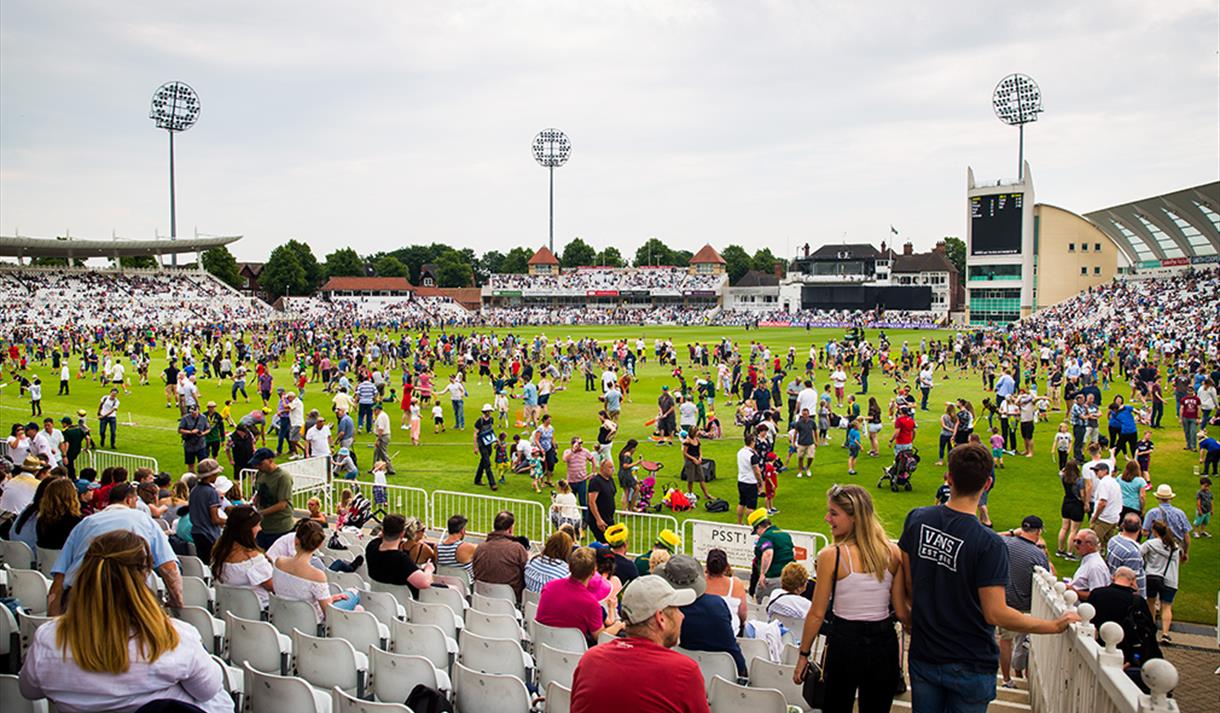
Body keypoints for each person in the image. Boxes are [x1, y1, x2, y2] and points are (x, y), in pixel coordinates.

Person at [898, 443, 1077, 713]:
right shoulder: (989, 543)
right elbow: (996, 613)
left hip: (926, 651)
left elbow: (908, 579)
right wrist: (1053, 626)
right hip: (969, 660)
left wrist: (910, 614)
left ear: (948, 477)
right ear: (988, 484)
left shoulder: (918, 518)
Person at [19, 530, 232, 713]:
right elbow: (209, 689)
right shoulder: (175, 638)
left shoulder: (49, 638)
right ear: (146, 574)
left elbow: (29, 689)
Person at [793, 484, 908, 712]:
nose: (827, 518)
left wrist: (803, 655)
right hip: (883, 642)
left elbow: (817, 613)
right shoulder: (892, 552)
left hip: (845, 642)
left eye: (834, 513)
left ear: (855, 517)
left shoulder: (831, 556)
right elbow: (902, 611)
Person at [569, 575, 707, 713]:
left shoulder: (590, 659)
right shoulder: (684, 672)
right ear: (661, 618)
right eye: (676, 609)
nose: (682, 615)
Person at [48, 482, 183, 616]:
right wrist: (177, 605)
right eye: (136, 501)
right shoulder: (144, 520)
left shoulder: (86, 523)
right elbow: (169, 568)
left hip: (81, 601)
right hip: (124, 602)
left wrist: (52, 621)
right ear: (129, 500)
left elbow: (60, 577)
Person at [657, 553, 747, 676]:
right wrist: (743, 671)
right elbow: (730, 646)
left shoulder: (664, 610)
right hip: (712, 676)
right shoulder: (716, 605)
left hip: (681, 674)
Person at [997, 516, 1050, 688]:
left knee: (1003, 640)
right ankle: (1010, 678)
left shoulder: (1005, 542)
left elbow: (992, 535)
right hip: (1022, 606)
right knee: (1015, 643)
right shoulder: (1038, 555)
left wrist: (1012, 532)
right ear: (1039, 531)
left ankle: (1006, 678)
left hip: (997, 599)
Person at [273, 519, 358, 623]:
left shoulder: (279, 562)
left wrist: (330, 598)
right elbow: (328, 613)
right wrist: (330, 600)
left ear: (296, 541)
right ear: (319, 545)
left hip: (284, 617)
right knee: (354, 594)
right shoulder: (317, 575)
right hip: (311, 621)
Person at [536, 547, 624, 645]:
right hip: (572, 654)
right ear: (593, 571)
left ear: (569, 566)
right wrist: (617, 625)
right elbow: (600, 637)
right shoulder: (591, 604)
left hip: (542, 648)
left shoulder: (550, 586)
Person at [211, 505, 276, 610]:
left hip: (230, 610)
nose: (260, 528)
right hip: (260, 612)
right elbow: (275, 587)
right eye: (257, 525)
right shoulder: (253, 561)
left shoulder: (219, 553)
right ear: (247, 529)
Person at [365, 514, 435, 598]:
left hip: (377, 600)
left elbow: (378, 538)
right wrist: (429, 569)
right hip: (403, 605)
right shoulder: (401, 559)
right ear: (402, 534)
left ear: (382, 531)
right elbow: (424, 583)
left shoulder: (372, 547)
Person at [471, 510, 529, 599]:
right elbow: (527, 575)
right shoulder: (517, 549)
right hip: (509, 603)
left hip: (484, 600)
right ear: (510, 529)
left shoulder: (480, 549)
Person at [1141, 519, 1182, 644]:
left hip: (1152, 576)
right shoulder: (1175, 546)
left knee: (1151, 603)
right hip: (1170, 579)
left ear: (1154, 531)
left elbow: (1138, 555)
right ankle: (1165, 633)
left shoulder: (1150, 544)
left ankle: (1151, 628)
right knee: (1167, 606)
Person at [248, 447, 294, 550]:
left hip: (279, 527)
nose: (257, 466)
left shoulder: (283, 477)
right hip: (263, 526)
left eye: (260, 464)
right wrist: (254, 501)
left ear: (270, 460)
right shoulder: (260, 473)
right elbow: (258, 491)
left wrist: (260, 513)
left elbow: (282, 504)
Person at [748, 508, 794, 603]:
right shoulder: (785, 534)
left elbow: (768, 552)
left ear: (760, 527)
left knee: (761, 599)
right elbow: (794, 552)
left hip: (773, 578)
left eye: (756, 531)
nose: (757, 535)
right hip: (789, 577)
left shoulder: (766, 537)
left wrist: (762, 574)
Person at [1141, 484, 1192, 565]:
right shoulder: (1180, 513)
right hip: (1174, 548)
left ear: (1157, 498)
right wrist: (1185, 552)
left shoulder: (1152, 513)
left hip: (1155, 548)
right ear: (1171, 498)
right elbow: (1186, 536)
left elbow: (1144, 533)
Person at [188, 459, 226, 562]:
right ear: (211, 475)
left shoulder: (194, 490)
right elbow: (215, 519)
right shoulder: (211, 492)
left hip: (197, 533)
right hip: (209, 535)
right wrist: (232, 520)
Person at [703, 548, 748, 635]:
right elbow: (743, 613)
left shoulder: (700, 581)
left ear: (707, 566)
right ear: (726, 566)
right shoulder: (736, 583)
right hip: (730, 635)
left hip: (702, 633)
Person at [35, 476, 83, 550]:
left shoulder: (41, 521)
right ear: (72, 496)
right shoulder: (78, 522)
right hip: (69, 560)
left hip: (47, 560)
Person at [1106, 513, 1147, 596]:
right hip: (1127, 595)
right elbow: (1133, 580)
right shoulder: (1132, 552)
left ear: (1123, 525)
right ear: (1140, 528)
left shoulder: (1113, 540)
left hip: (1113, 585)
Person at [1067, 529, 1111, 600]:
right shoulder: (1088, 558)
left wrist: (1074, 592)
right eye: (1074, 540)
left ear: (1090, 545)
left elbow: (1097, 595)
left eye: (1079, 542)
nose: (1075, 544)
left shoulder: (1095, 567)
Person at [525, 529, 573, 593]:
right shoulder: (565, 572)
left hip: (527, 601)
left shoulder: (531, 562)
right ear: (567, 550)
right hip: (550, 602)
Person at [1089, 461, 1122, 548]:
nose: (1095, 473)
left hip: (1103, 519)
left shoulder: (1104, 483)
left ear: (1105, 471)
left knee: (1094, 544)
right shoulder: (1114, 482)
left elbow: (1102, 503)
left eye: (1097, 471)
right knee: (1107, 544)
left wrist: (1094, 518)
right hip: (1113, 518)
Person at [586, 457, 617, 543]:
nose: (613, 470)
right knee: (605, 543)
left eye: (613, 467)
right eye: (610, 467)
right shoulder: (596, 482)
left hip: (608, 518)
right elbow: (592, 502)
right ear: (602, 468)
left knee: (612, 541)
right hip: (599, 519)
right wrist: (598, 519)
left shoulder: (610, 480)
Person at [735, 434, 763, 525]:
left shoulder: (740, 452)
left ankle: (739, 522)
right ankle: (749, 524)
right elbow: (757, 470)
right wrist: (760, 482)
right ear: (752, 442)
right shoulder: (752, 455)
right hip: (750, 482)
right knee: (751, 506)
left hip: (741, 480)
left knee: (742, 502)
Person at [177, 403, 211, 473]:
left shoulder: (203, 418)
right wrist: (190, 432)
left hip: (201, 444)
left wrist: (202, 433)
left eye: (194, 412)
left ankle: (202, 477)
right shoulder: (185, 418)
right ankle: (192, 477)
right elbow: (180, 430)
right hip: (189, 445)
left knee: (203, 463)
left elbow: (208, 429)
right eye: (192, 412)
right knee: (190, 464)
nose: (193, 413)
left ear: (198, 410)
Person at [473, 403, 498, 490]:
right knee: (487, 463)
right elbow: (475, 434)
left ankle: (477, 479)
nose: (490, 412)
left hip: (489, 443)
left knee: (483, 461)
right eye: (489, 411)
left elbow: (491, 430)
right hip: (481, 444)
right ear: (485, 411)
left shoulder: (491, 419)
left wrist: (496, 440)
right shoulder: (479, 421)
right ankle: (492, 483)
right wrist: (475, 447)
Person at [372, 403, 396, 474]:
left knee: (383, 453)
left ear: (378, 410)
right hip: (383, 436)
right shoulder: (382, 415)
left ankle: (390, 469)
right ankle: (374, 467)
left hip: (383, 436)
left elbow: (380, 429)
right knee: (376, 453)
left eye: (374, 410)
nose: (374, 412)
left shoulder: (381, 417)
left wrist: (378, 440)